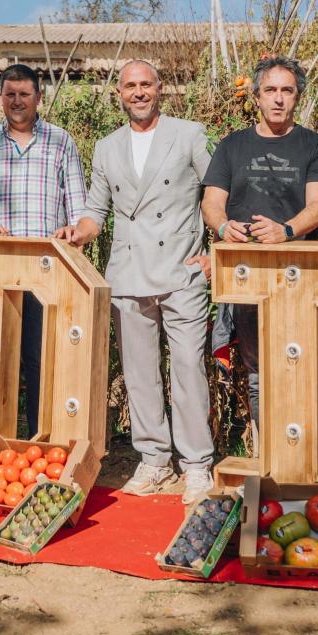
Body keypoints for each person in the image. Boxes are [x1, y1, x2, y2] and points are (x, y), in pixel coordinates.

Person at [77, 60, 216, 502]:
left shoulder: (189, 134)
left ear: (160, 88)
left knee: (189, 369)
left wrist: (215, 254)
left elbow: (216, 195)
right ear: (118, 93)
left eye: (145, 85)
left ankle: (197, 465)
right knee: (139, 375)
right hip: (128, 273)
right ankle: (154, 460)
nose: (138, 92)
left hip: (182, 271)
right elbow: (96, 210)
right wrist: (77, 232)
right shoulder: (106, 148)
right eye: (129, 86)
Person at [0, 63, 96, 436]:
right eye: (10, 95)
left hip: (47, 271)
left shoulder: (61, 141)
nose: (17, 101)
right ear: (0, 99)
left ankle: (40, 438)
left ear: (38, 97)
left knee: (41, 359)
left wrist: (74, 229)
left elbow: (79, 205)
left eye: (24, 94)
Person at [202, 54, 318, 428]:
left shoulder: (316, 146)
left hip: (301, 275)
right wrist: (225, 226)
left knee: (304, 365)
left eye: (287, 91)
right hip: (249, 277)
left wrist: (287, 231)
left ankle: (305, 461)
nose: (278, 98)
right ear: (257, 97)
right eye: (270, 90)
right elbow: (211, 202)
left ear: (298, 98)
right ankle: (269, 462)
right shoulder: (232, 146)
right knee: (259, 374)